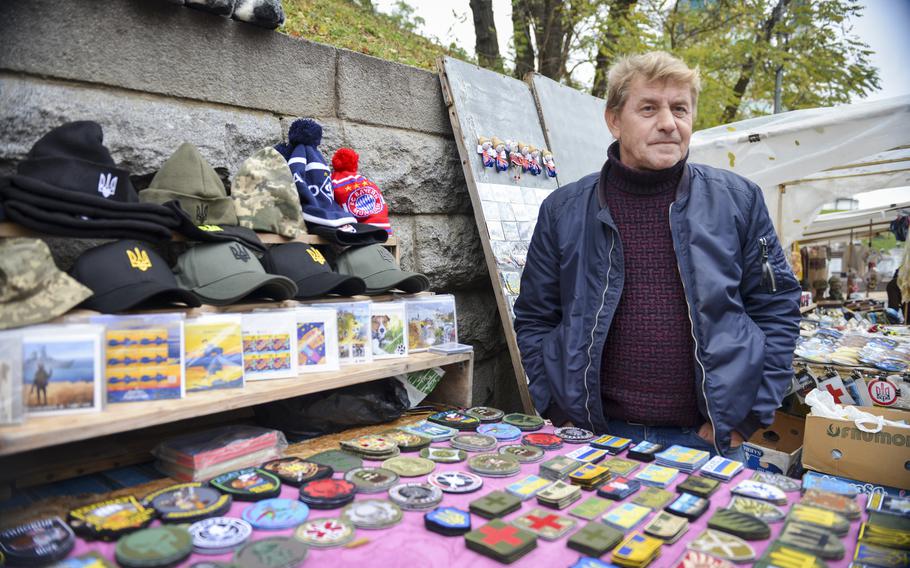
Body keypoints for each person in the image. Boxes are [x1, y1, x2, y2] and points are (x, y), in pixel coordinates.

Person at [513, 51, 801, 461]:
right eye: (649, 108)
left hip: (704, 442)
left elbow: (777, 307)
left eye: (680, 109)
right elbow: (535, 317)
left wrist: (747, 416)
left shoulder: (738, 201)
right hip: (595, 435)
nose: (668, 122)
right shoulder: (564, 210)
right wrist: (558, 409)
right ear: (614, 119)